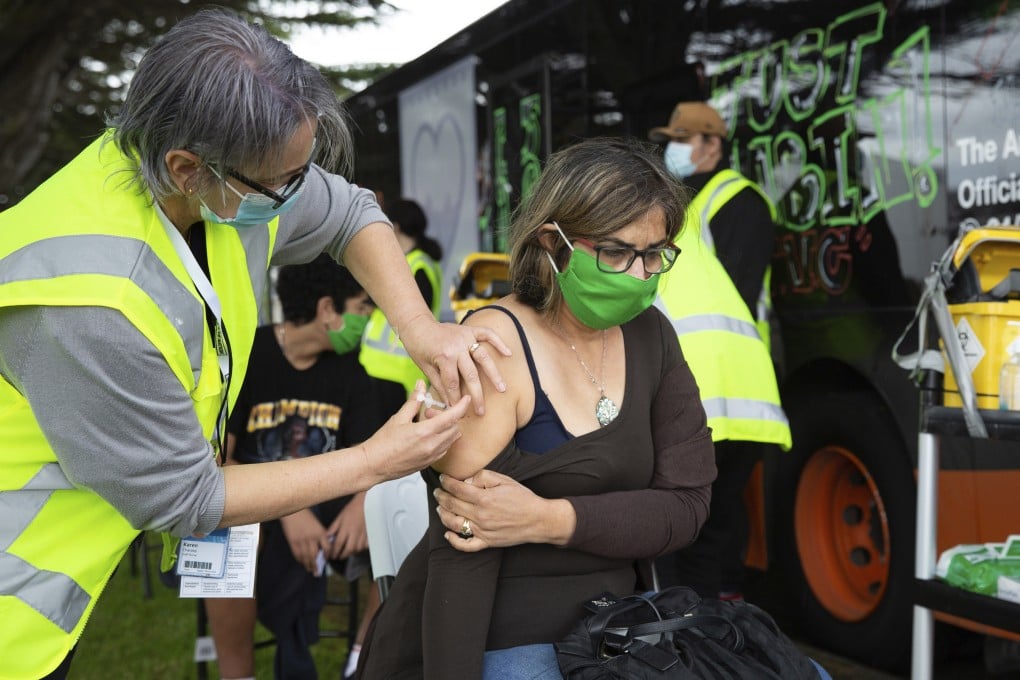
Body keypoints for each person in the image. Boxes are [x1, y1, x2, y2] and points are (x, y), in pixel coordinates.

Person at [0, 10, 510, 680]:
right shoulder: (93, 305)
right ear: (186, 168)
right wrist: (373, 463)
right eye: (283, 182)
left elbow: (352, 212)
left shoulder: (210, 176)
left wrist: (422, 330)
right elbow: (184, 498)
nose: (300, 195)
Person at [358, 137, 718, 679]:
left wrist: (547, 519)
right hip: (504, 641)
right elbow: (463, 555)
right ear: (554, 242)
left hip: (617, 632)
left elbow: (686, 508)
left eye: (655, 254)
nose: (641, 276)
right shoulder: (493, 345)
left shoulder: (653, 336)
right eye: (617, 253)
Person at [203, 255, 384, 680]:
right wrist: (285, 507)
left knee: (403, 527)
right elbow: (217, 462)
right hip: (256, 509)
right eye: (362, 307)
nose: (369, 319)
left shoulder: (353, 373)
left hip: (332, 513)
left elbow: (376, 457)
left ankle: (361, 662)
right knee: (226, 531)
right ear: (327, 310)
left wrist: (362, 502)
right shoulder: (248, 356)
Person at [647, 100, 792, 600]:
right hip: (726, 382)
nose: (673, 150)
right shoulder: (683, 203)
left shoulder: (738, 200)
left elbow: (737, 293)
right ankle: (722, 626)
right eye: (671, 139)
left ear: (714, 144)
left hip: (722, 378)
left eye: (684, 139)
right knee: (714, 518)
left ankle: (709, 635)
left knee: (704, 522)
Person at [359, 198, 444, 407]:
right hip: (380, 371)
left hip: (397, 375)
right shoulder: (408, 261)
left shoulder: (418, 265)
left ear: (394, 226)